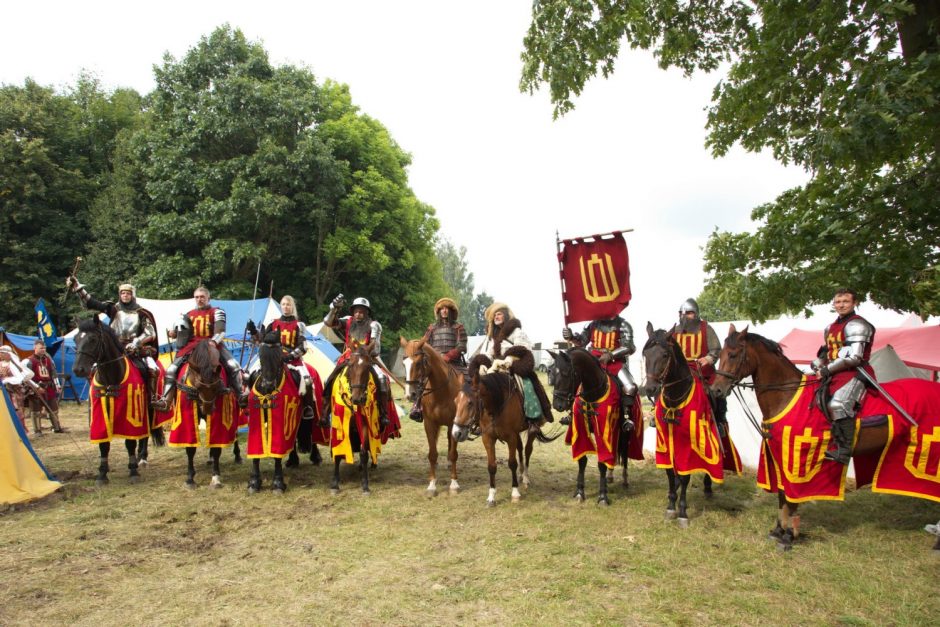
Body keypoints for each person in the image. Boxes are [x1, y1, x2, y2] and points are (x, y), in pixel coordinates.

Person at [67, 277, 161, 405]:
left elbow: (150, 332)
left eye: (128, 293)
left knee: (153, 369)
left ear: (133, 295)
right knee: (95, 367)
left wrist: (136, 343)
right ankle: (95, 396)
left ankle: (153, 400)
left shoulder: (142, 313)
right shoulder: (114, 309)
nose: (125, 295)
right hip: (115, 346)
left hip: (135, 348)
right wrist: (78, 288)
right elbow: (92, 303)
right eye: (123, 293)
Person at [155, 286, 247, 411]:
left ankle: (240, 395)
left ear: (208, 298)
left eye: (202, 297)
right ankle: (166, 400)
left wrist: (214, 342)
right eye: (197, 297)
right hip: (193, 345)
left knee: (233, 365)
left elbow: (220, 331)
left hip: (213, 344)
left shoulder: (217, 312)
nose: (199, 299)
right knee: (171, 369)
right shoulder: (188, 315)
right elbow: (183, 332)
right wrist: (174, 333)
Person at [811, 288, 876, 465]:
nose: (841, 305)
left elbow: (853, 357)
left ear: (854, 303)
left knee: (837, 404)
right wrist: (817, 363)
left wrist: (826, 370)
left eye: (846, 301)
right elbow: (828, 351)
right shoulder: (830, 327)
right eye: (838, 302)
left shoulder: (858, 324)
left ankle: (844, 450)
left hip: (854, 372)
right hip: (835, 371)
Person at [320, 295, 390, 429]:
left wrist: (365, 353)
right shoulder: (347, 322)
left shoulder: (374, 325)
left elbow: (376, 348)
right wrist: (334, 309)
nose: (358, 314)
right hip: (348, 357)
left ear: (367, 312)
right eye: (356, 311)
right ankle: (325, 413)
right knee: (329, 379)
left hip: (367, 359)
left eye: (362, 311)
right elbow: (328, 323)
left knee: (382, 379)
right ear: (353, 312)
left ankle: (383, 413)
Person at [562, 311, 638, 431]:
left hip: (615, 363)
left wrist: (611, 355)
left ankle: (626, 417)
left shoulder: (623, 324)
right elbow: (582, 341)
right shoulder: (592, 324)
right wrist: (571, 337)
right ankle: (572, 412)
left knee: (630, 386)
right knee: (575, 378)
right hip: (594, 361)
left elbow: (629, 347)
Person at [477, 302, 553, 423]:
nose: (496, 317)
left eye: (499, 314)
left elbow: (522, 347)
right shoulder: (494, 337)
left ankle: (533, 419)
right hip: (497, 368)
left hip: (514, 366)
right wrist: (483, 363)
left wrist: (509, 359)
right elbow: (490, 353)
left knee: (527, 384)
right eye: (495, 315)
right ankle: (478, 419)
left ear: (506, 315)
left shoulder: (516, 331)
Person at [248, 295, 318, 420]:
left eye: (288, 304)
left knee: (306, 380)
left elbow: (303, 346)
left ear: (292, 307)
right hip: (272, 358)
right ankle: (249, 400)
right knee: (252, 374)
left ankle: (307, 407)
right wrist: (253, 331)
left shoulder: (299, 325)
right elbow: (261, 340)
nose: (286, 307)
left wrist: (290, 356)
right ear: (281, 306)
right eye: (284, 304)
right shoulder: (272, 322)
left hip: (292, 360)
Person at [408, 297, 467, 422]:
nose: (444, 311)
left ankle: (471, 412)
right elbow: (424, 343)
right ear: (438, 312)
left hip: (454, 363)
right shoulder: (432, 328)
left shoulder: (458, 327)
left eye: (446, 308)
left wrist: (448, 356)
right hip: (434, 363)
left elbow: (461, 345)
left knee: (469, 381)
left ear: (451, 311)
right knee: (421, 381)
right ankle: (417, 407)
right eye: (441, 309)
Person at [674, 298, 727, 431]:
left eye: (689, 313)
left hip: (703, 371)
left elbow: (716, 349)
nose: (685, 316)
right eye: (682, 313)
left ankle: (720, 420)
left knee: (717, 391)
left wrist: (708, 359)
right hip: (681, 372)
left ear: (696, 313)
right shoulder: (674, 331)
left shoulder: (706, 328)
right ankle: (657, 413)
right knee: (664, 387)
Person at [26, 340, 64, 434]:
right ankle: (37, 430)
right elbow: (26, 377)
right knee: (36, 411)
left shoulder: (48, 360)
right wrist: (35, 387)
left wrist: (57, 386)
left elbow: (53, 373)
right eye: (41, 348)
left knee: (53, 409)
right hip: (36, 388)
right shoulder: (29, 361)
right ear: (35, 348)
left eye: (44, 348)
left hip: (49, 387)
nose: (43, 350)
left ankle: (56, 428)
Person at [0, 346, 32, 432]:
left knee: (18, 411)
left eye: (2, 353)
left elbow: (19, 378)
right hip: (4, 392)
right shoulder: (0, 364)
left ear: (8, 354)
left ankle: (21, 431)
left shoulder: (13, 365)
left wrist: (6, 380)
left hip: (14, 392)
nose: (0, 355)